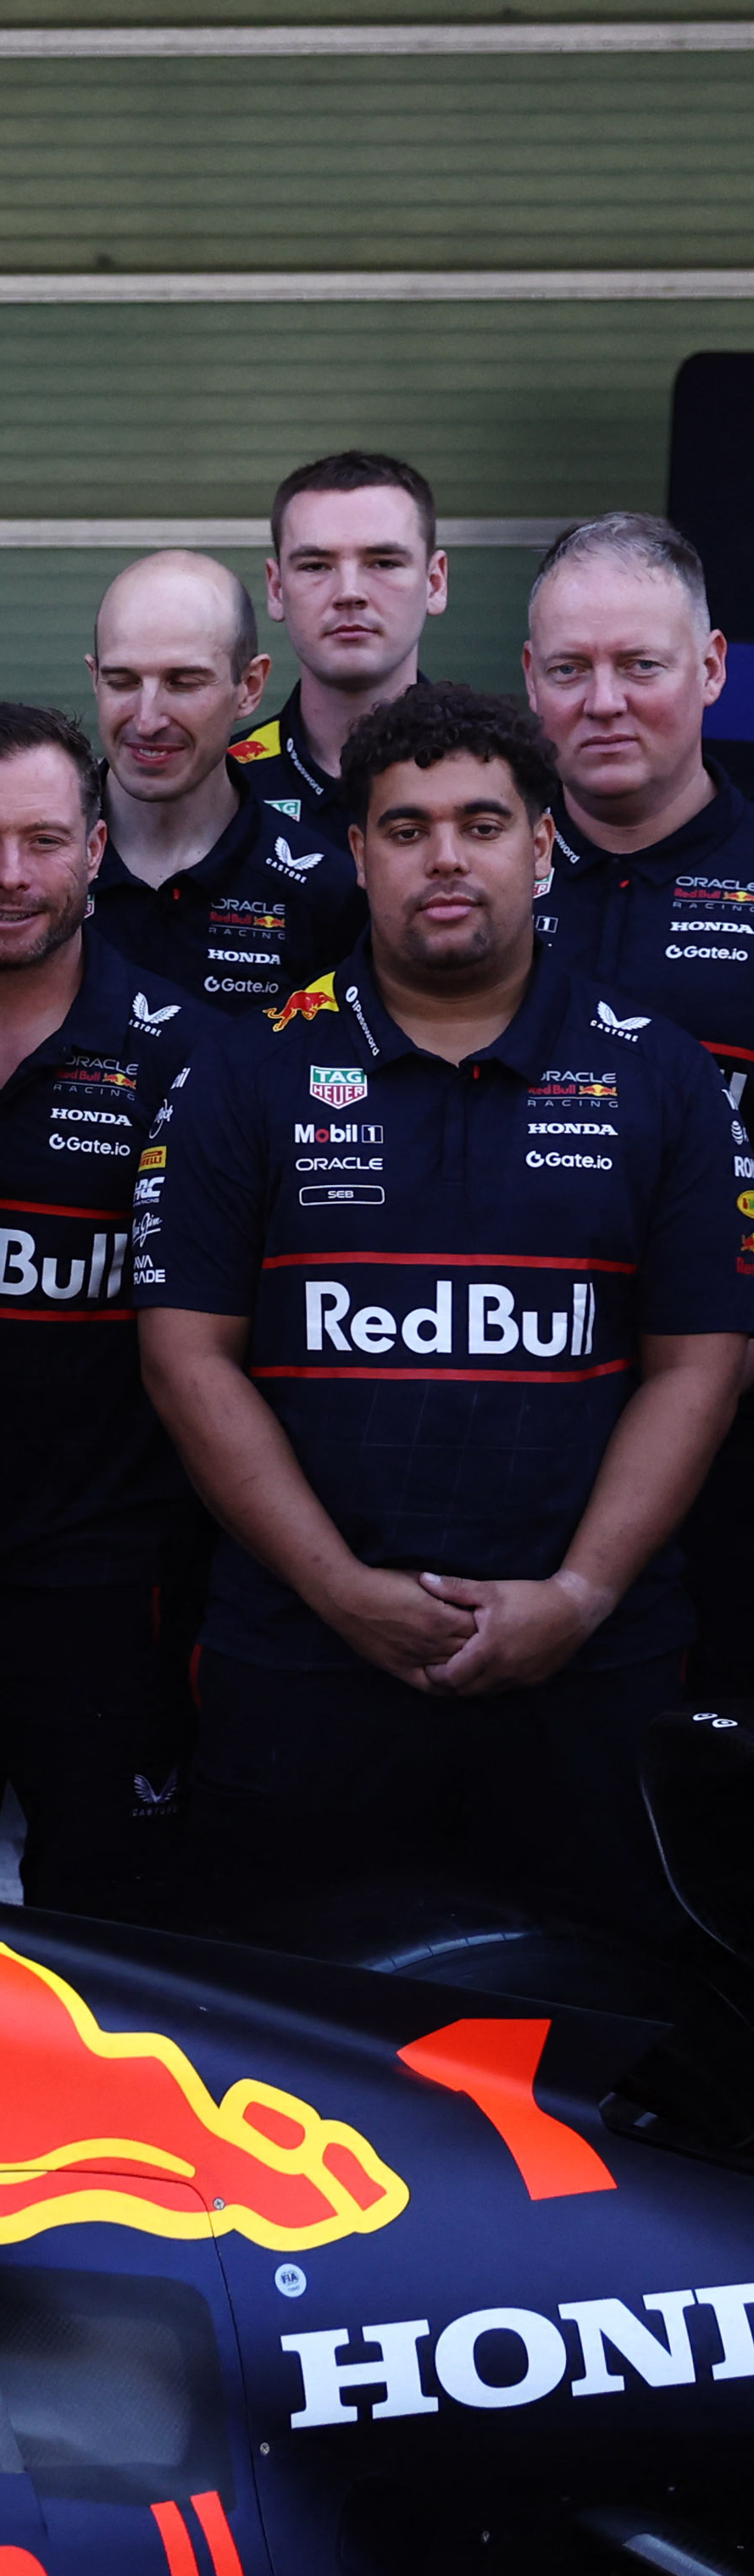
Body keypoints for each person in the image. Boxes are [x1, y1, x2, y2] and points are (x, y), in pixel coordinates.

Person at [140, 684, 747, 1948]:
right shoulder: (249, 1070)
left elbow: (701, 1366)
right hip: (303, 1664)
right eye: (406, 828)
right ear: (357, 853)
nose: (446, 858)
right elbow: (184, 1356)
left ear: (542, 842)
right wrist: (341, 1588)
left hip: (588, 1668)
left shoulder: (659, 1072)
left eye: (481, 822)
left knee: (606, 2057)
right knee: (283, 2063)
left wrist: (577, 1597)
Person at [0, 703, 198, 1915]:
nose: (9, 877)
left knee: (107, 1958)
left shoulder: (193, 1058)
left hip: (111, 1588)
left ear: (95, 846)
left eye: (40, 840)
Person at [518, 512, 754, 1711]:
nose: (603, 701)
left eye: (641, 666)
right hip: (505, 1426)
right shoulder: (448, 884)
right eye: (570, 669)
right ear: (529, 681)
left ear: (711, 667)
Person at [80, 551, 362, 1008]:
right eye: (123, 681)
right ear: (95, 679)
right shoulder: (26, 865)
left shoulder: (325, 891)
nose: (148, 720)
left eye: (184, 682)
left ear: (249, 687)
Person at [235, 452, 448, 822]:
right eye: (315, 566)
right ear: (276, 588)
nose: (349, 592)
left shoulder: (509, 779)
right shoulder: (224, 783)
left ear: (435, 583)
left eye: (383, 562)